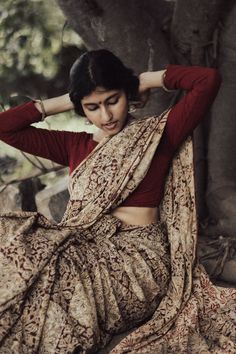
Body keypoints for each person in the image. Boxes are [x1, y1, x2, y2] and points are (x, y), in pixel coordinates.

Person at [0, 49, 235, 353]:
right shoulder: (74, 146)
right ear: (81, 108)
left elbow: (208, 80)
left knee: (58, 274)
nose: (106, 115)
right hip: (84, 247)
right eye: (92, 107)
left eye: (113, 100)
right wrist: (68, 100)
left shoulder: (157, 136)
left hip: (137, 261)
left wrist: (145, 80)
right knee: (16, 245)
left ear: (127, 93)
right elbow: (5, 126)